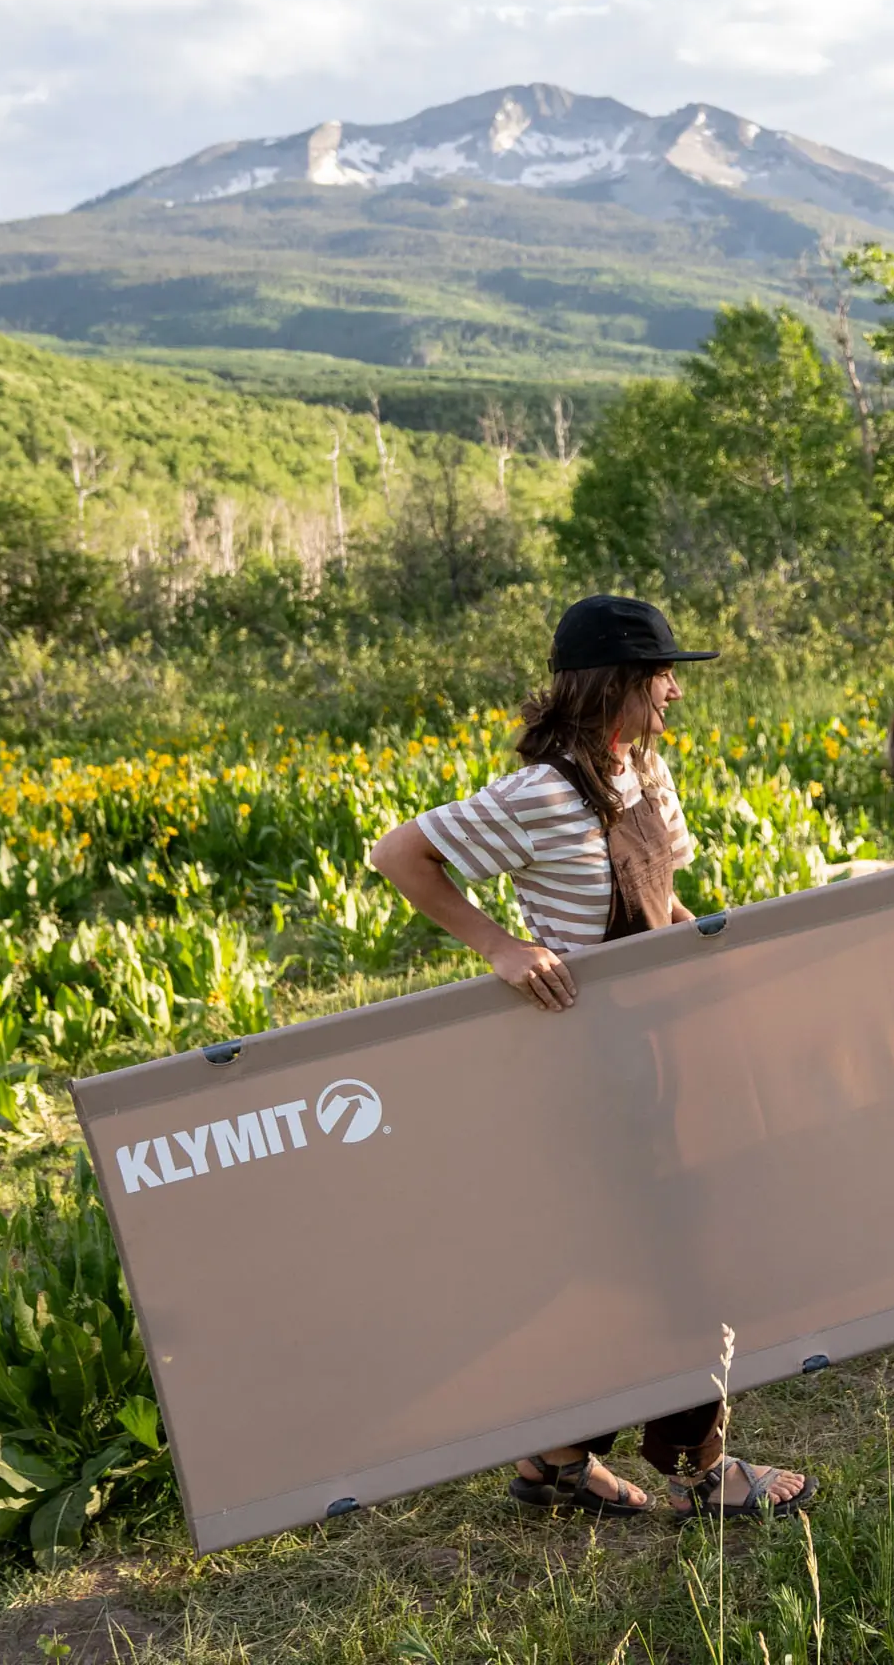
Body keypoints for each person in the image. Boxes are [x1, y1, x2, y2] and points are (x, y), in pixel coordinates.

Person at [366, 593, 817, 1523]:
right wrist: (499, 945)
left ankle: (555, 1457)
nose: (672, 696)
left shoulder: (646, 773)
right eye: (661, 678)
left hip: (662, 1046)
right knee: (676, 1256)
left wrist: (716, 963)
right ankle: (698, 1468)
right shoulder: (537, 794)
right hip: (595, 1063)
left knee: (633, 1253)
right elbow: (399, 853)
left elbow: (664, 900)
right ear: (615, 682)